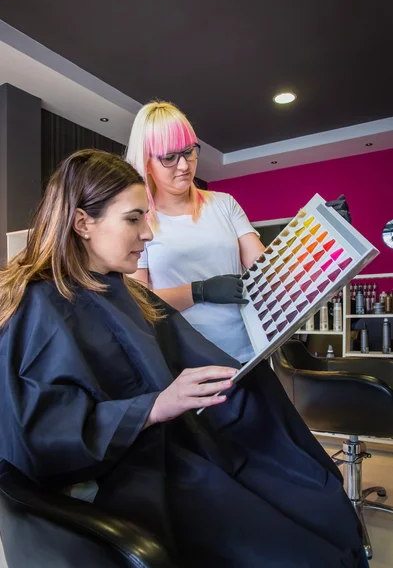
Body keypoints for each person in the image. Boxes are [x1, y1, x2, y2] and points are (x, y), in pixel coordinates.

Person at [0, 150, 367, 567]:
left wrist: (303, 283)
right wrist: (153, 407)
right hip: (118, 473)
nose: (148, 234)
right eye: (133, 219)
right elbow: (39, 434)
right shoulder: (38, 305)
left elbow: (190, 357)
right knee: (288, 547)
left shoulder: (124, 291)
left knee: (309, 489)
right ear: (84, 222)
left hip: (172, 445)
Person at [127, 101, 351, 363]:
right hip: (184, 360)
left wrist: (316, 232)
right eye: (169, 157)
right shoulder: (139, 221)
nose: (184, 166)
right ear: (147, 162)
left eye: (189, 152)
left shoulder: (224, 204)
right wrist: (198, 291)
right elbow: (139, 302)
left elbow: (268, 272)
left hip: (246, 353)